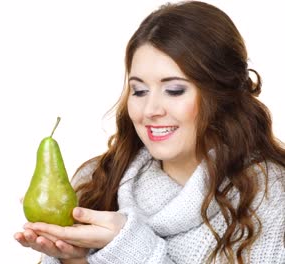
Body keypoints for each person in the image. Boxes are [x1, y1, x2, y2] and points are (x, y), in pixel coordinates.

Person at [14, 1, 285, 263]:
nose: (150, 109)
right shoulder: (96, 184)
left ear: (222, 94)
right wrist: (75, 260)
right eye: (139, 90)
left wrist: (130, 248)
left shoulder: (274, 199)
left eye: (174, 90)